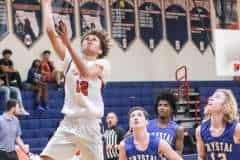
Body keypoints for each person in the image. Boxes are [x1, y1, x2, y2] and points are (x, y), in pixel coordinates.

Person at [30, 0, 111, 160]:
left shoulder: (102, 64)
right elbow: (50, 32)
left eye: (94, 39)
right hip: (69, 123)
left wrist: (67, 42)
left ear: (100, 50)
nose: (89, 39)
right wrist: (46, 5)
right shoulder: (69, 60)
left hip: (90, 125)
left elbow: (86, 73)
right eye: (87, 38)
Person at [118, 106, 183, 160]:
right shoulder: (123, 145)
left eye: (139, 115)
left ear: (147, 122)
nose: (136, 118)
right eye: (132, 116)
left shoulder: (159, 142)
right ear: (130, 123)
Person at [196, 89, 240, 160]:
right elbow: (201, 156)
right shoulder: (200, 130)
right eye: (212, 96)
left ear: (225, 105)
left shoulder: (237, 129)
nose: (211, 98)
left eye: (217, 97)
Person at [0, 49, 29, 115]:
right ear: (3, 55)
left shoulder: (10, 61)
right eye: (6, 55)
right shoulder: (1, 61)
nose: (8, 56)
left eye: (9, 55)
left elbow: (12, 70)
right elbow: (5, 70)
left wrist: (10, 70)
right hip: (2, 85)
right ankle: (8, 110)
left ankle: (21, 109)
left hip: (6, 83)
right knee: (7, 90)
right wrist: (10, 70)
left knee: (16, 90)